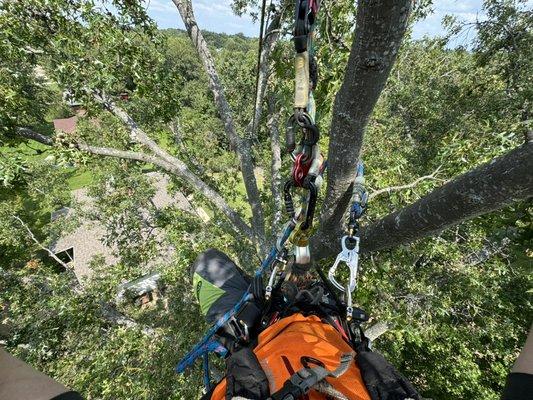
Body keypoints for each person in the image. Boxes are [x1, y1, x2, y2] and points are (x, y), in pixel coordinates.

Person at [192, 248, 421, 400]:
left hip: (255, 337)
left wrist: (239, 361)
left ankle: (268, 289)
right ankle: (281, 289)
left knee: (207, 263)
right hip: (323, 325)